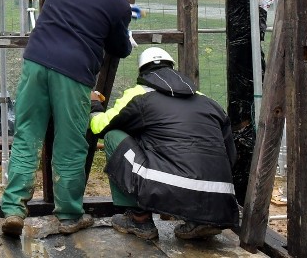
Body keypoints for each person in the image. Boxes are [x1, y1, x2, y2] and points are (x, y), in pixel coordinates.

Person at [1, 0, 145, 237]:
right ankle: (68, 216)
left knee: (27, 134)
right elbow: (119, 48)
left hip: (36, 62)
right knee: (70, 144)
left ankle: (13, 209)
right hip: (73, 73)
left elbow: (60, 14)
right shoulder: (118, 3)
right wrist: (121, 26)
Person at [89, 47, 238, 241]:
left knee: (113, 136)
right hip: (220, 197)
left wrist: (94, 106)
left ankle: (138, 218)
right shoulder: (209, 102)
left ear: (142, 72)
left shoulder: (140, 95)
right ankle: (201, 220)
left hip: (170, 188)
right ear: (173, 69)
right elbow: (230, 155)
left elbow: (101, 127)